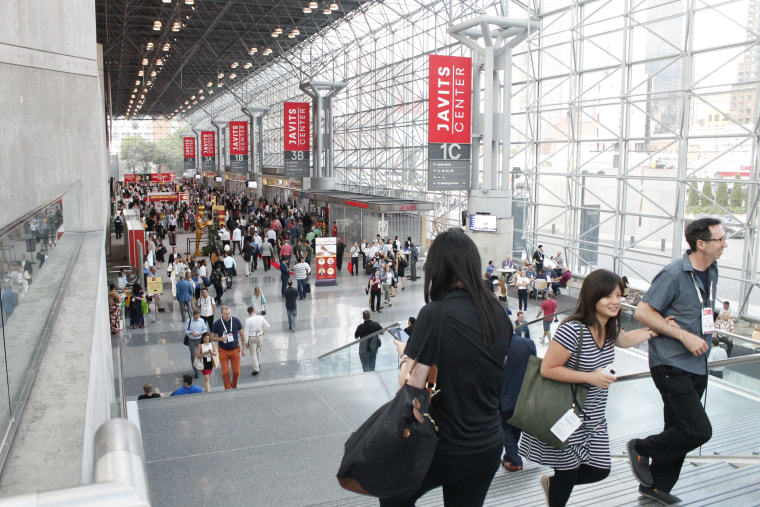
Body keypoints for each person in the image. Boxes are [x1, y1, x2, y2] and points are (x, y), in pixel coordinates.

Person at [385, 228, 512, 507]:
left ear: (438, 268)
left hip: (445, 445)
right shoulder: (499, 314)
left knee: (393, 493)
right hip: (489, 441)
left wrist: (405, 355)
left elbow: (410, 384)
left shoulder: (435, 313)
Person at [520, 269, 655, 507]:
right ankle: (556, 491)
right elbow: (548, 369)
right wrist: (590, 378)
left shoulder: (609, 327)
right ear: (593, 297)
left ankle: (553, 485)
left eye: (618, 295)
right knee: (567, 474)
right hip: (566, 413)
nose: (615, 302)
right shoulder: (573, 330)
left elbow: (624, 340)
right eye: (608, 296)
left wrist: (655, 330)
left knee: (600, 469)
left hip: (593, 416)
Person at [629, 217, 726, 505]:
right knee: (697, 430)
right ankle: (640, 448)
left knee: (678, 428)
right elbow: (642, 312)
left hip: (698, 362)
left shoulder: (712, 271)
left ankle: (657, 486)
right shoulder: (673, 273)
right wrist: (683, 336)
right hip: (671, 363)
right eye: (719, 239)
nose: (724, 244)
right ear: (700, 243)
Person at [500, 331, 537, 472]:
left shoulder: (493, 344)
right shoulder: (527, 343)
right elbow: (534, 365)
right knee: (515, 425)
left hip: (502, 394)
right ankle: (510, 457)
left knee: (505, 426)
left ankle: (514, 459)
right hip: (523, 393)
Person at [211, 306, 246, 390]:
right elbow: (211, 337)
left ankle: (234, 385)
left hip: (235, 349)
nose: (228, 315)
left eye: (229, 313)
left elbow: (242, 334)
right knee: (225, 373)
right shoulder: (217, 323)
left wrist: (244, 348)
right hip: (223, 350)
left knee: (237, 372)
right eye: (226, 314)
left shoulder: (236, 321)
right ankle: (228, 388)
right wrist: (219, 339)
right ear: (222, 314)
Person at [244, 305, 270, 375]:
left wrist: (246, 342)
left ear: (249, 313)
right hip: (260, 336)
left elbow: (246, 332)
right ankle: (257, 363)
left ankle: (256, 368)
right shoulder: (261, 318)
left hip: (252, 337)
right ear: (254, 311)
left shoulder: (248, 320)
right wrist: (264, 332)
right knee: (258, 349)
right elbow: (267, 326)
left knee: (253, 353)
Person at [185, 310, 209, 378]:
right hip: (191, 340)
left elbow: (205, 328)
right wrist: (191, 333)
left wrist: (202, 332)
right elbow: (185, 330)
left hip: (199, 339)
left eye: (198, 317)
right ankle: (195, 371)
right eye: (195, 317)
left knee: (201, 354)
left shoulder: (201, 320)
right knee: (193, 355)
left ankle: (201, 366)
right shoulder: (189, 321)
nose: (197, 319)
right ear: (193, 316)